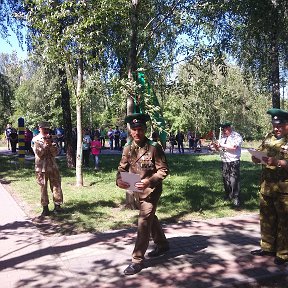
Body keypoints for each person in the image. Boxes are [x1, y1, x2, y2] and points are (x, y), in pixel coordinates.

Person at [116, 113, 169, 275]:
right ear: (130, 131)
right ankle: (162, 244)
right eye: (134, 130)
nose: (137, 133)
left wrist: (149, 181)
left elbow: (163, 170)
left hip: (152, 191)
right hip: (136, 190)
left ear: (145, 130)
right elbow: (121, 169)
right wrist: (119, 181)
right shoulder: (128, 148)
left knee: (143, 221)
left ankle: (137, 260)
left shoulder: (154, 147)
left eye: (140, 129)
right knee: (150, 218)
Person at [250, 108, 288, 265]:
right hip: (266, 186)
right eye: (274, 124)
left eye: (280, 125)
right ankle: (267, 247)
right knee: (266, 218)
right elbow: (259, 152)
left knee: (284, 221)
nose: (276, 128)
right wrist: (256, 158)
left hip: (284, 188)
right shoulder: (269, 136)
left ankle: (283, 253)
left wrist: (278, 163)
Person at [32, 121, 63, 216]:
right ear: (39, 128)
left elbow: (55, 153)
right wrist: (45, 145)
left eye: (47, 129)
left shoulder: (52, 138)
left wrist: (51, 144)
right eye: (44, 129)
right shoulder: (35, 139)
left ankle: (57, 206)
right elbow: (39, 154)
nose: (46, 131)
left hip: (53, 166)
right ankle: (45, 208)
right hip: (41, 168)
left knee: (56, 185)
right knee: (43, 187)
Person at [212, 122, 243, 208]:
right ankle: (228, 195)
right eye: (223, 129)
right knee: (225, 179)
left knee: (234, 180)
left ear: (229, 128)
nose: (223, 131)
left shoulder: (236, 136)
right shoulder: (223, 138)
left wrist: (221, 144)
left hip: (233, 161)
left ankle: (236, 197)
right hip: (224, 161)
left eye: (225, 129)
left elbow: (234, 147)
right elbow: (219, 149)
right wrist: (215, 146)